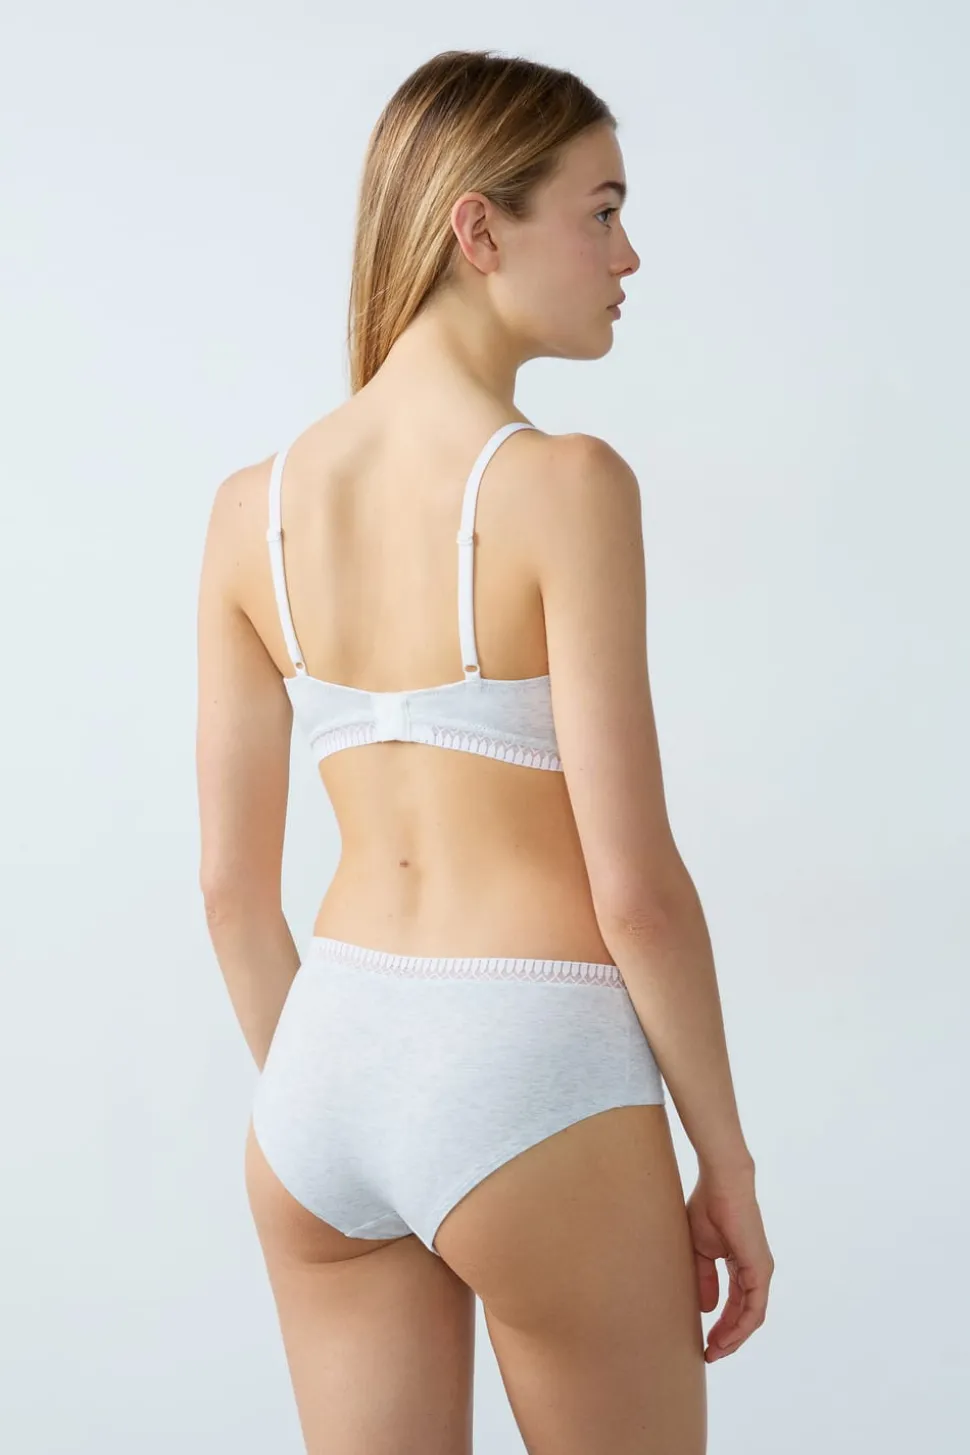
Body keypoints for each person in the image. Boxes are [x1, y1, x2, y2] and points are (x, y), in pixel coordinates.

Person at [196, 47, 773, 1455]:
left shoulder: (247, 510)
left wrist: (352, 1086)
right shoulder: (564, 486)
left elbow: (229, 891)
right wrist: (727, 1164)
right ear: (477, 228)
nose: (628, 255)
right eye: (601, 211)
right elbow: (634, 891)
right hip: (531, 1063)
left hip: (324, 1074)